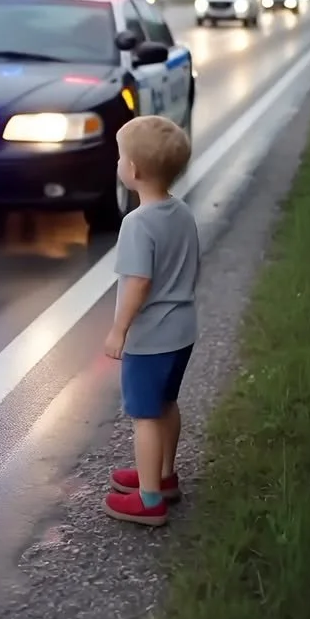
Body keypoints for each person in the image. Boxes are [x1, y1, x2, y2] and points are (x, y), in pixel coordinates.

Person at [103, 114, 200, 526]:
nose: (117, 163)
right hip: (182, 330)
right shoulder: (181, 212)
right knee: (166, 403)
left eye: (119, 157)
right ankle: (164, 476)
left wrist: (119, 330)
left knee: (144, 416)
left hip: (151, 337)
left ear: (133, 170)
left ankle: (148, 499)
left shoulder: (137, 224)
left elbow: (138, 282)